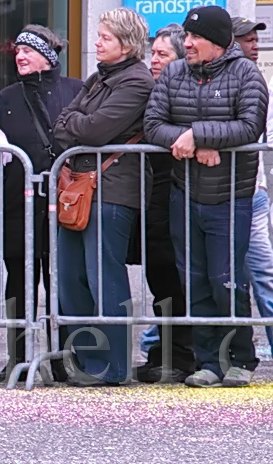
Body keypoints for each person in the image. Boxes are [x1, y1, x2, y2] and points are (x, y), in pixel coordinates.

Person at [144, 6, 268, 387]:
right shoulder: (176, 73)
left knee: (226, 281)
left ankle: (240, 359)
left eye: (195, 37)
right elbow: (153, 123)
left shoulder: (246, 73)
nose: (188, 43)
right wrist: (189, 144)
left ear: (217, 43)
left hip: (231, 196)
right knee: (194, 281)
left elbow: (250, 125)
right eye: (186, 36)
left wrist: (199, 134)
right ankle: (208, 361)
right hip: (185, 192)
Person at [53, 8, 154, 386]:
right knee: (71, 278)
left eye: (105, 37)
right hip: (81, 187)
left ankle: (113, 365)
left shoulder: (137, 82)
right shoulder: (98, 77)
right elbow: (62, 124)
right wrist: (76, 126)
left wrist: (75, 126)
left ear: (126, 45)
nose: (96, 42)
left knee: (104, 278)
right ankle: (89, 362)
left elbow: (93, 130)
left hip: (113, 188)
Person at [0, 25, 82, 383]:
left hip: (62, 202)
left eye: (28, 50)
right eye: (18, 51)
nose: (20, 56)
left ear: (48, 54)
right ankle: (17, 356)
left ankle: (63, 358)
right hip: (18, 202)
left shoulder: (76, 91)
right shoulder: (6, 98)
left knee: (60, 282)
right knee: (18, 282)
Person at [135, 24, 194, 384]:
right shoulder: (151, 91)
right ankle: (162, 351)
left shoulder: (184, 91)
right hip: (152, 193)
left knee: (178, 277)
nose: (154, 61)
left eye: (162, 54)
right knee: (159, 276)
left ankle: (182, 354)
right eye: (152, 54)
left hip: (181, 190)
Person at [231, 16, 273, 354]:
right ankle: (157, 341)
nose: (254, 44)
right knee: (210, 280)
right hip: (215, 195)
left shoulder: (258, 83)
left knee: (263, 275)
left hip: (252, 193)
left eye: (255, 39)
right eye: (247, 39)